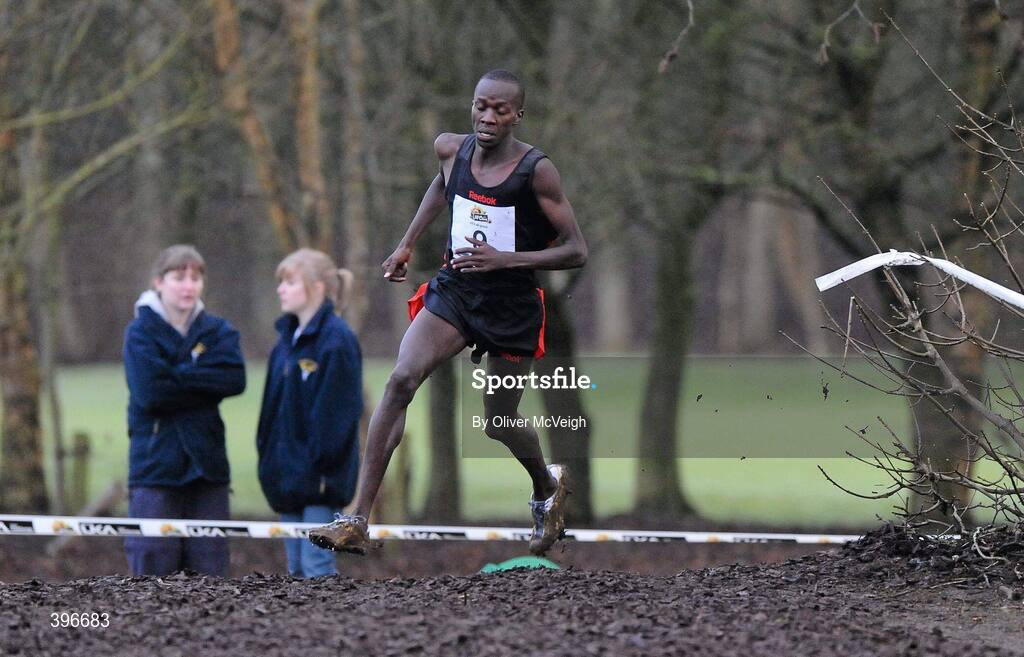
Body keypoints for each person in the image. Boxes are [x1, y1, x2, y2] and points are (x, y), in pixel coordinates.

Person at [309, 69, 587, 556]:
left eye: (501, 109)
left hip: (512, 305)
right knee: (400, 381)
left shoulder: (536, 171)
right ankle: (355, 518)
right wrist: (406, 243)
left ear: (518, 115)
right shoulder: (450, 149)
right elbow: (442, 187)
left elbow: (576, 249)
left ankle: (547, 488)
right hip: (456, 292)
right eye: (481, 105)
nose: (488, 116)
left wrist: (507, 260)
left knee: (500, 419)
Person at [123, 245, 246, 576]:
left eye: (195, 278)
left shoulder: (218, 331)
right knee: (152, 571)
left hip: (208, 469)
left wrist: (174, 374)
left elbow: (234, 379)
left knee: (210, 577)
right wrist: (202, 379)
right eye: (179, 277)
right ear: (158, 282)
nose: (188, 285)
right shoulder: (139, 334)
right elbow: (150, 393)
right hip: (155, 468)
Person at [256, 248, 363, 578]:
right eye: (281, 282)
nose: (281, 289)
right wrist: (270, 460)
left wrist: (319, 466)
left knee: (316, 568)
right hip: (287, 480)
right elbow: (270, 413)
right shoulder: (284, 343)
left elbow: (338, 416)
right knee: (296, 570)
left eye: (290, 282)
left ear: (318, 286)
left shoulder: (337, 340)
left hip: (319, 482)